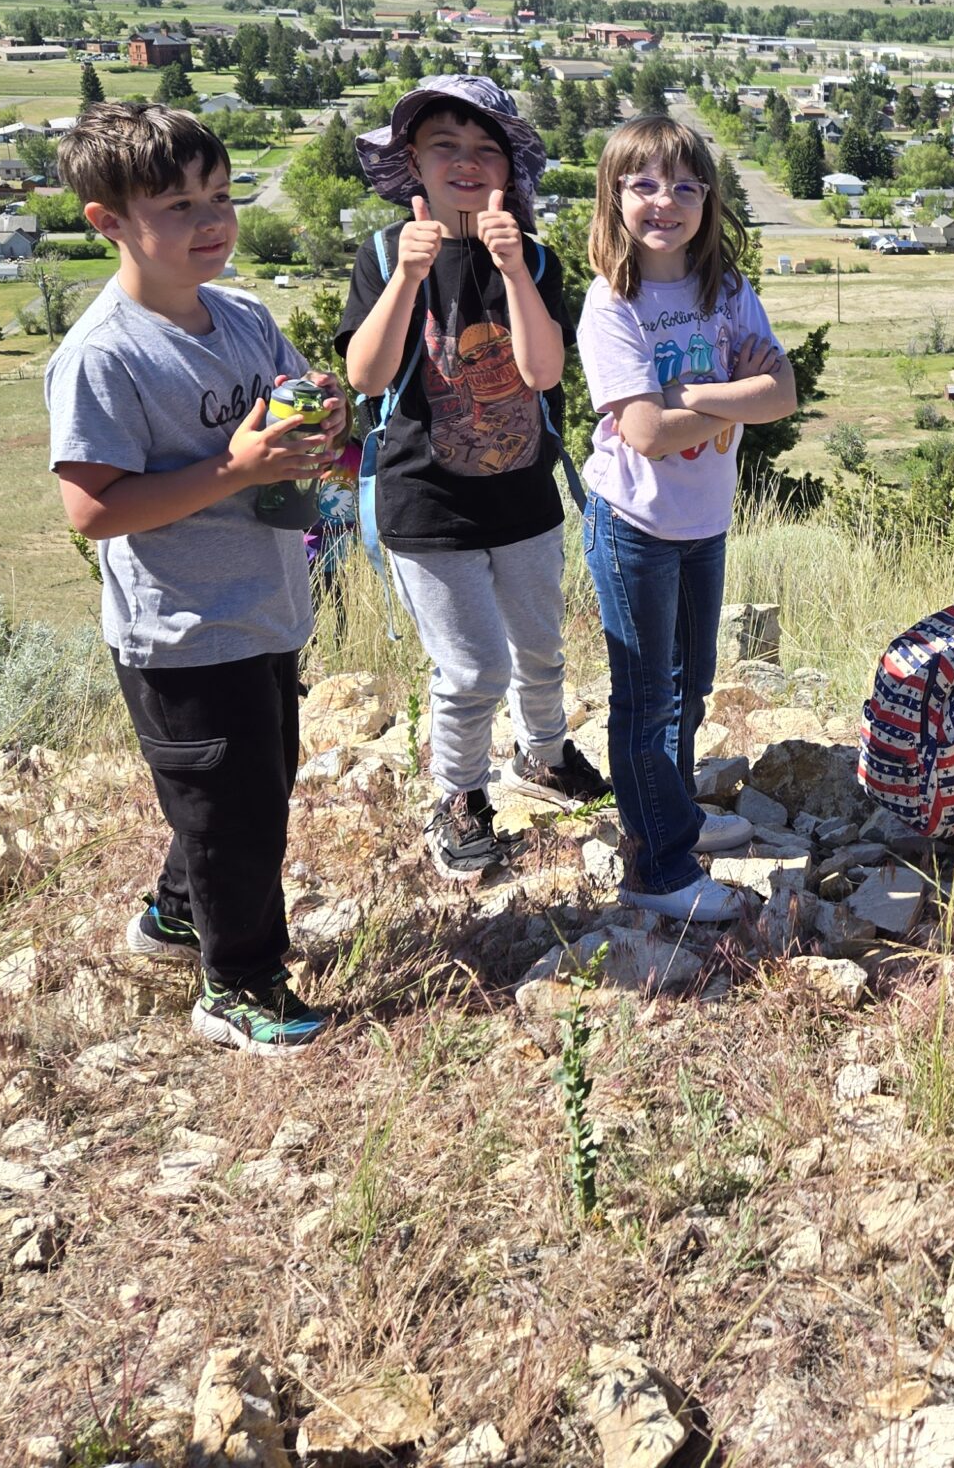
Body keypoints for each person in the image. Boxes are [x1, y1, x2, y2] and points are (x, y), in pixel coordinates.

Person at [44, 100, 347, 1055]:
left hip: (265, 607)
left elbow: (296, 401)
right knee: (236, 815)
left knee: (252, 787)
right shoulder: (105, 354)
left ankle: (178, 914)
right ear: (109, 222)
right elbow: (92, 510)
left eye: (219, 195)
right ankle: (238, 985)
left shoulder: (244, 316)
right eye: (177, 205)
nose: (211, 220)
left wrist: (324, 418)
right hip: (180, 631)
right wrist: (236, 470)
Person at [343, 75, 607, 881]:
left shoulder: (534, 258)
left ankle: (544, 754)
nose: (465, 162)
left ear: (508, 170)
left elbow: (542, 369)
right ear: (412, 164)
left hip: (523, 493)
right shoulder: (384, 254)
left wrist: (516, 272)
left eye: (485, 149)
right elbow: (366, 375)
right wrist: (406, 278)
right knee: (472, 668)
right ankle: (458, 795)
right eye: (444, 147)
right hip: (427, 501)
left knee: (540, 643)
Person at [577, 115, 798, 924]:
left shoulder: (726, 290)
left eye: (683, 185)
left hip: (703, 522)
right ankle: (657, 869)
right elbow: (644, 434)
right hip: (633, 525)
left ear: (707, 199)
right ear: (614, 198)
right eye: (642, 184)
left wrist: (690, 394)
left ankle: (676, 817)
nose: (663, 201)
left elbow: (782, 394)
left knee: (690, 687)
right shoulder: (613, 305)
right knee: (646, 702)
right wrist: (731, 397)